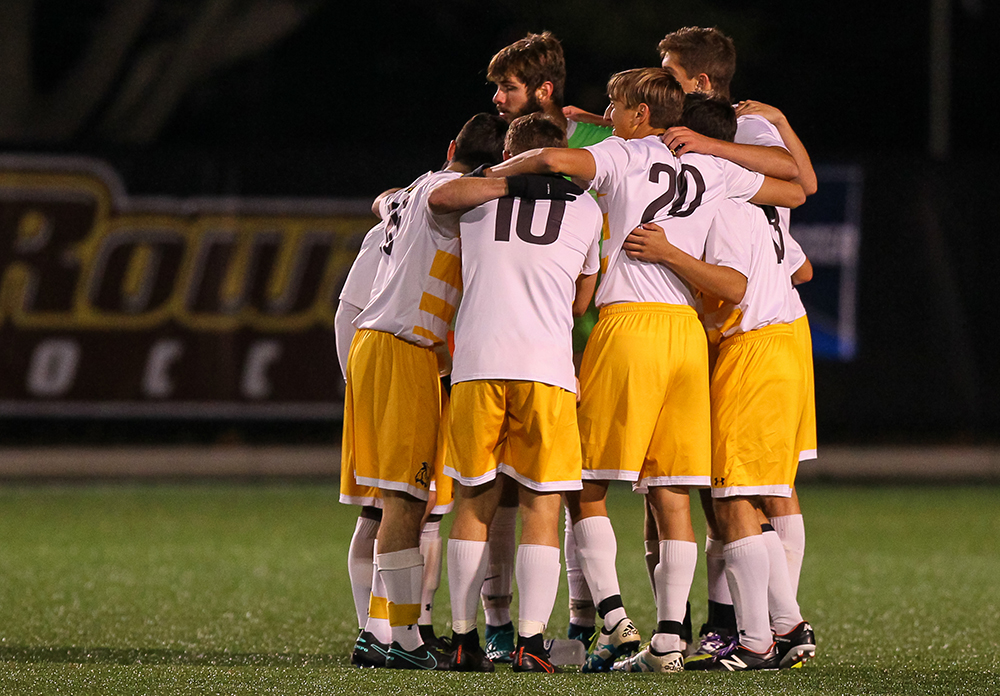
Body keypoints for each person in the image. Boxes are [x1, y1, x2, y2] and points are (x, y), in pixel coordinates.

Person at [481, 66, 805, 673]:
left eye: (615, 105)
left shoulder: (622, 154)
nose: (609, 115)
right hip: (686, 336)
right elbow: (793, 188)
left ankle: (613, 621)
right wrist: (714, 149)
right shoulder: (709, 167)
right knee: (672, 490)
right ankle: (669, 641)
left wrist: (490, 175)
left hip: (629, 326)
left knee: (580, 484)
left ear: (639, 114)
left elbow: (551, 159)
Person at [622, 92, 815, 670]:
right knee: (747, 495)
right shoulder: (742, 190)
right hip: (779, 341)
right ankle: (787, 628)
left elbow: (733, 285)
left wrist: (668, 254)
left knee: (731, 499)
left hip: (755, 348)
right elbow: (800, 255)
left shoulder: (722, 197)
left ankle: (759, 640)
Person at [426, 112, 602, 673]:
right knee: (542, 507)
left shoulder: (476, 199)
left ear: (509, 153)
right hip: (545, 368)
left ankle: (463, 638)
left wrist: (500, 179)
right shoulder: (587, 208)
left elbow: (438, 200)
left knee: (473, 503)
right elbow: (580, 302)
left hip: (478, 364)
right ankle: (530, 643)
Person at [341, 112, 507, 670]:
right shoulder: (443, 190)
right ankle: (403, 639)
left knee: (405, 501)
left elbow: (386, 199)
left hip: (381, 345)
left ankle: (382, 632)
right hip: (401, 349)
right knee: (406, 501)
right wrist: (518, 180)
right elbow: (445, 194)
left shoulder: (412, 188)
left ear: (452, 145)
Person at [482, 30, 614, 659]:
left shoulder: (597, 144)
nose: (498, 98)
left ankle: (584, 620)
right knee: (510, 486)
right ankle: (502, 622)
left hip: (586, 332)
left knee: (575, 485)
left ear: (542, 90)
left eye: (507, 87)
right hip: (530, 336)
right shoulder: (507, 143)